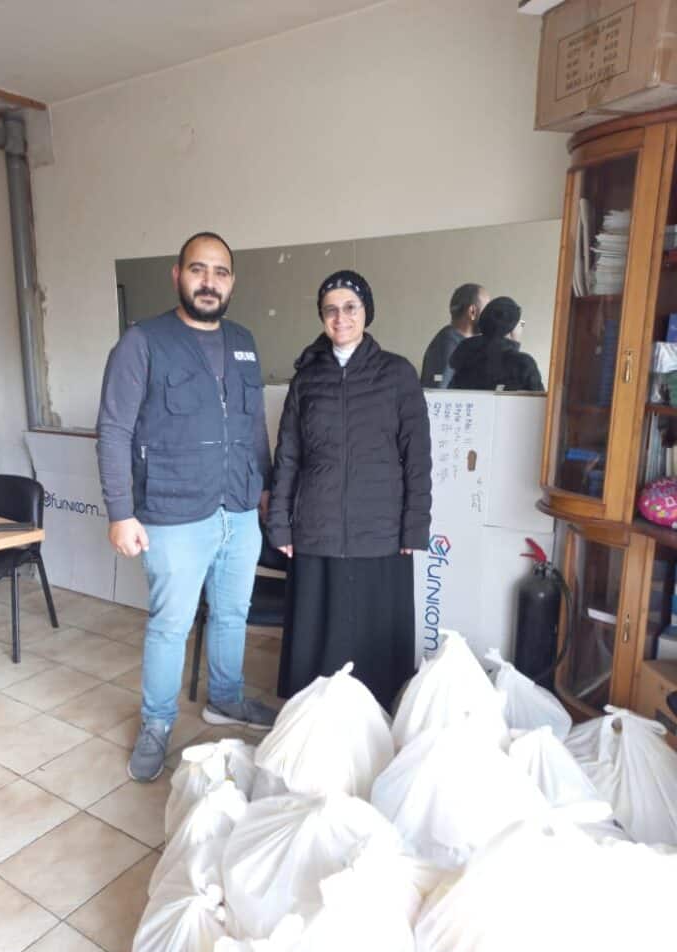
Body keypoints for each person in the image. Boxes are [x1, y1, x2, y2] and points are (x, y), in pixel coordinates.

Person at [96, 231, 277, 783]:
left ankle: (226, 698)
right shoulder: (143, 341)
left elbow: (253, 423)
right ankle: (156, 723)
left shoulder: (244, 340)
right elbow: (113, 429)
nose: (209, 282)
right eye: (198, 270)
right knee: (170, 626)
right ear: (178, 275)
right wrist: (120, 512)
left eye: (220, 272)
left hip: (238, 508)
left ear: (231, 282)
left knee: (232, 614)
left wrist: (264, 486)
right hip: (173, 512)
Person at [267, 270, 432, 711]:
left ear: (366, 311)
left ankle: (374, 724)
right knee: (320, 638)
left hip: (381, 531)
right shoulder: (306, 379)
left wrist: (414, 527)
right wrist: (279, 523)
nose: (341, 318)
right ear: (322, 317)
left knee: (374, 641)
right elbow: (288, 456)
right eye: (331, 310)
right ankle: (315, 721)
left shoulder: (397, 373)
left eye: (350, 307)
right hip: (316, 528)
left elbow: (417, 457)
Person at [448, 295, 544, 392]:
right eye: (521, 324)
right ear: (511, 328)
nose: (521, 327)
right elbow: (541, 400)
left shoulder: (465, 354)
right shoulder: (523, 364)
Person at [420, 282, 490, 388]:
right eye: (487, 309)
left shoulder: (463, 343)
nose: (490, 315)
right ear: (472, 311)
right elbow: (438, 392)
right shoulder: (448, 343)